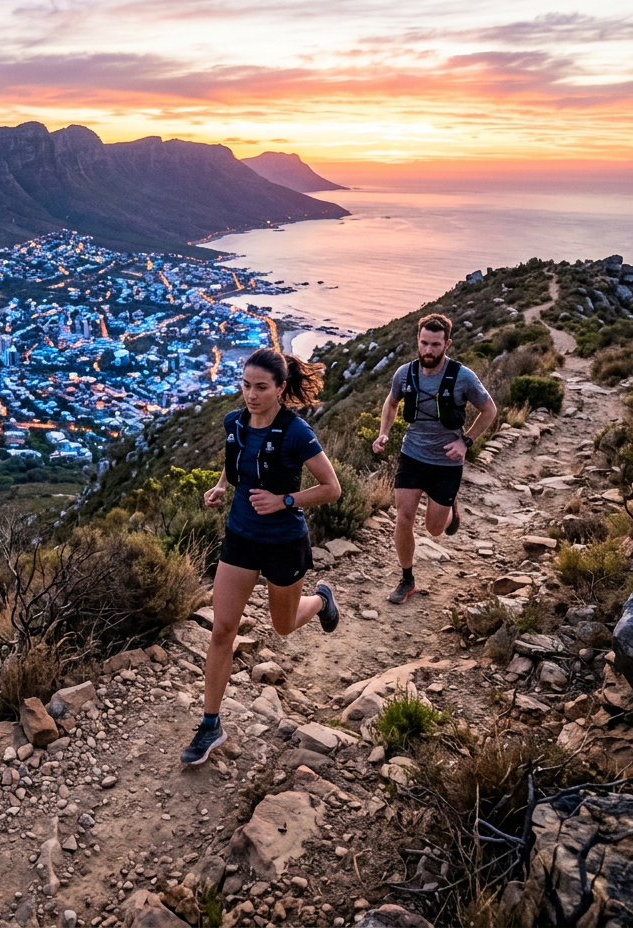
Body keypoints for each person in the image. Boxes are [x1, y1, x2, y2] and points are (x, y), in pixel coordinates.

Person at [180, 348, 342, 766]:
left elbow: (331, 488)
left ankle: (322, 600)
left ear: (281, 388)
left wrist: (284, 499)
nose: (250, 395)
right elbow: (235, 468)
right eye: (246, 385)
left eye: (261, 388)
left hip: (284, 541)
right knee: (222, 630)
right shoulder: (234, 423)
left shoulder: (296, 432)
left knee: (283, 626)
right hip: (240, 538)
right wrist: (220, 487)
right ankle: (210, 724)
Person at [372, 313, 497, 605]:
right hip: (412, 454)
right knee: (403, 517)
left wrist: (465, 441)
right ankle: (407, 579)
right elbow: (391, 402)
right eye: (424, 343)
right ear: (418, 340)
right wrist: (383, 433)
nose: (429, 351)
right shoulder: (405, 374)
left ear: (447, 344)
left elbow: (489, 409)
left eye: (436, 345)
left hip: (446, 461)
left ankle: (451, 506)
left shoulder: (463, 377)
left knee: (434, 529)